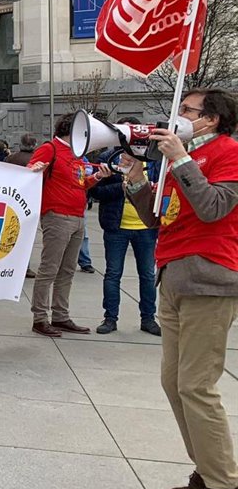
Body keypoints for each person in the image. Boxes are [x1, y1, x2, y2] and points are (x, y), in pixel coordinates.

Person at [122, 89, 238, 489]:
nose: (178, 115)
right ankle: (209, 469)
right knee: (174, 383)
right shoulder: (179, 160)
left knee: (196, 385)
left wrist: (182, 160)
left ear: (211, 119)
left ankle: (223, 484)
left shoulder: (229, 152)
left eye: (186, 110)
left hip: (210, 278)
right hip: (173, 276)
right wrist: (137, 178)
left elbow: (214, 207)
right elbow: (157, 218)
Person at [27, 113, 108, 337]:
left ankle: (60, 315)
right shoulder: (50, 148)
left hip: (76, 216)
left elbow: (79, 184)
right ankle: (40, 317)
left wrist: (97, 178)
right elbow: (30, 172)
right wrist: (34, 169)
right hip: (57, 215)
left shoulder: (76, 153)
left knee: (67, 270)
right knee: (49, 269)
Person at [88, 119, 160, 336]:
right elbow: (96, 192)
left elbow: (160, 189)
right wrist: (123, 186)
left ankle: (148, 318)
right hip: (116, 226)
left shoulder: (154, 159)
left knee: (147, 275)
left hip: (146, 227)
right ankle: (110, 318)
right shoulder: (107, 158)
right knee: (113, 274)